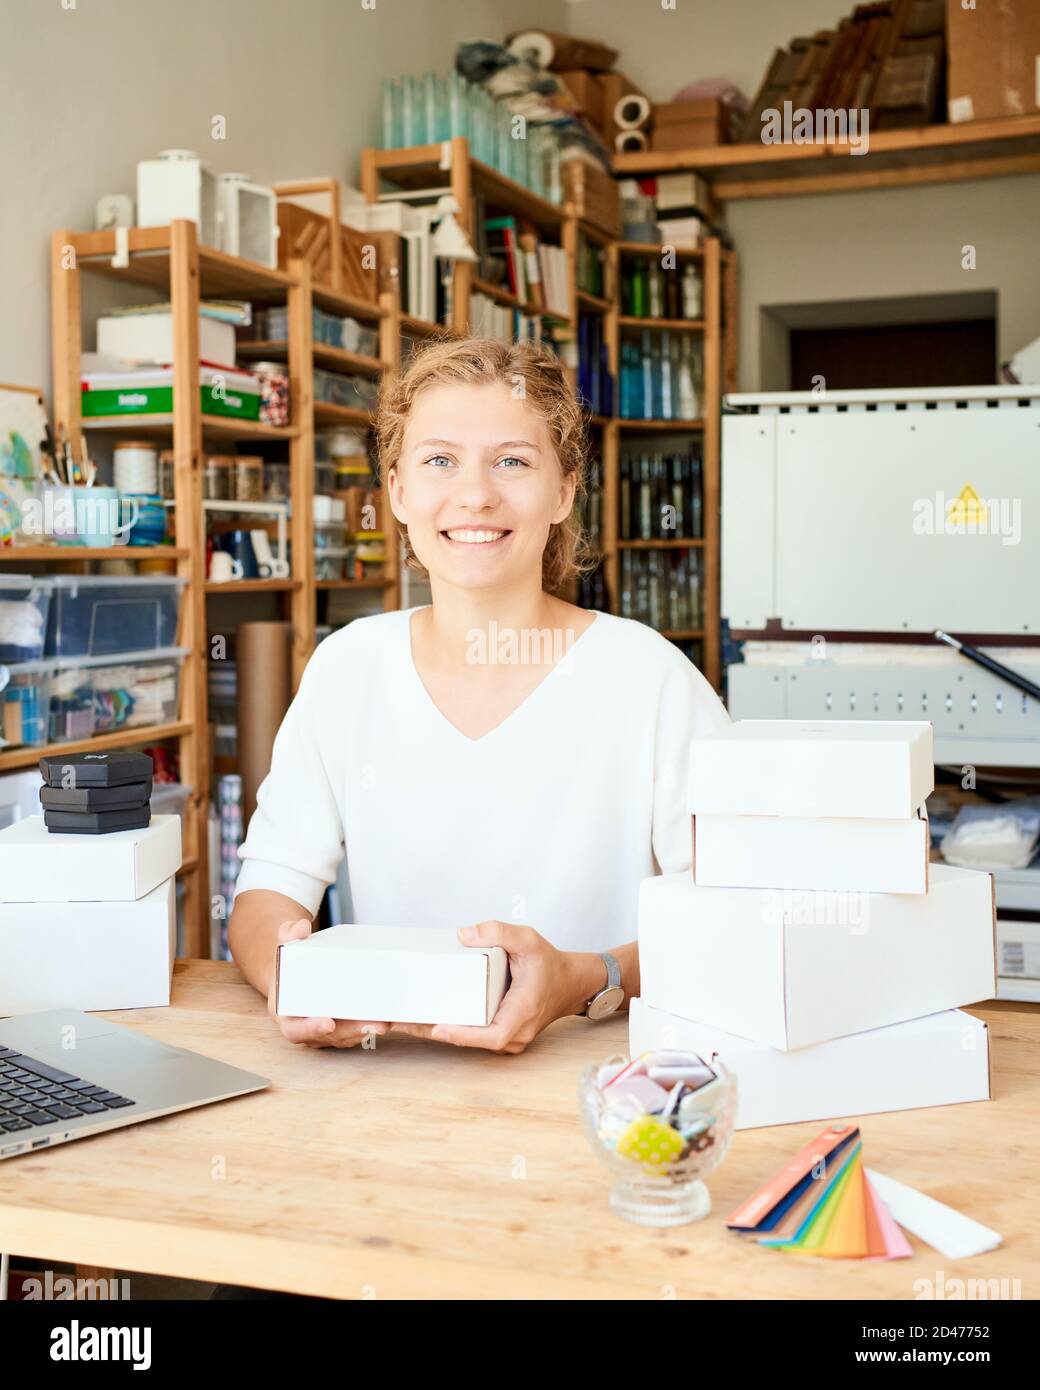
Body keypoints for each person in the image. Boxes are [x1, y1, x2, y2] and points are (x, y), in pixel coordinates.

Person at [228, 336, 729, 1056]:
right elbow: (267, 892)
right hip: (386, 1080)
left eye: (513, 462)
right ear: (397, 490)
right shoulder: (347, 669)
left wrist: (586, 979)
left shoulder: (650, 678)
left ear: (563, 491)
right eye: (440, 460)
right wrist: (289, 977)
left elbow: (732, 916)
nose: (475, 494)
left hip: (600, 1087)